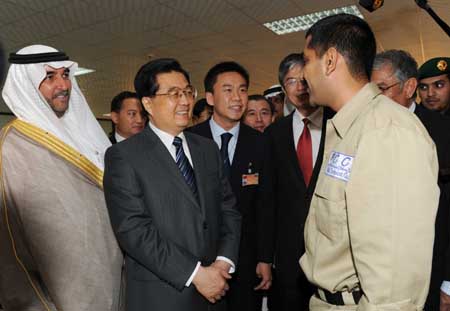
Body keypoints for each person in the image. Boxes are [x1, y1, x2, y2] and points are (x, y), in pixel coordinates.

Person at [299, 14, 440, 310]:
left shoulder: (385, 131)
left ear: (330, 61)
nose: (303, 75)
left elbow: (393, 277)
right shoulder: (349, 127)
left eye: (307, 61)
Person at [103, 58, 241, 311]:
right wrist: (197, 274)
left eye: (188, 92)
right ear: (148, 103)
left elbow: (228, 209)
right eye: (174, 94)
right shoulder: (124, 156)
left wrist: (223, 262)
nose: (186, 101)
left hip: (216, 291)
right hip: (163, 294)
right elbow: (133, 230)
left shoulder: (207, 149)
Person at [0, 45, 123, 310]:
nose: (63, 84)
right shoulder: (10, 148)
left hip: (113, 286)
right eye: (49, 77)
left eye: (65, 74)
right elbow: (8, 252)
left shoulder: (87, 136)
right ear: (27, 84)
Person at [189, 61, 273, 311]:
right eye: (228, 90)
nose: (237, 98)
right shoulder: (190, 140)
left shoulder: (261, 143)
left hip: (246, 259)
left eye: (243, 90)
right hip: (201, 260)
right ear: (210, 98)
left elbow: (267, 204)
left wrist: (265, 257)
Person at [371, 49, 450, 311]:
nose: (375, 99)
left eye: (383, 89)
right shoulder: (369, 130)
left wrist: (448, 282)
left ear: (409, 87)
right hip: (383, 270)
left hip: (431, 267)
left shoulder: (441, 133)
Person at [264, 52, 332, 311]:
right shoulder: (273, 134)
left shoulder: (339, 123)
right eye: (292, 81)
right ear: (284, 89)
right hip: (288, 253)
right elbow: (268, 198)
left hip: (331, 251)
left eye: (305, 79)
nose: (300, 87)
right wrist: (265, 256)